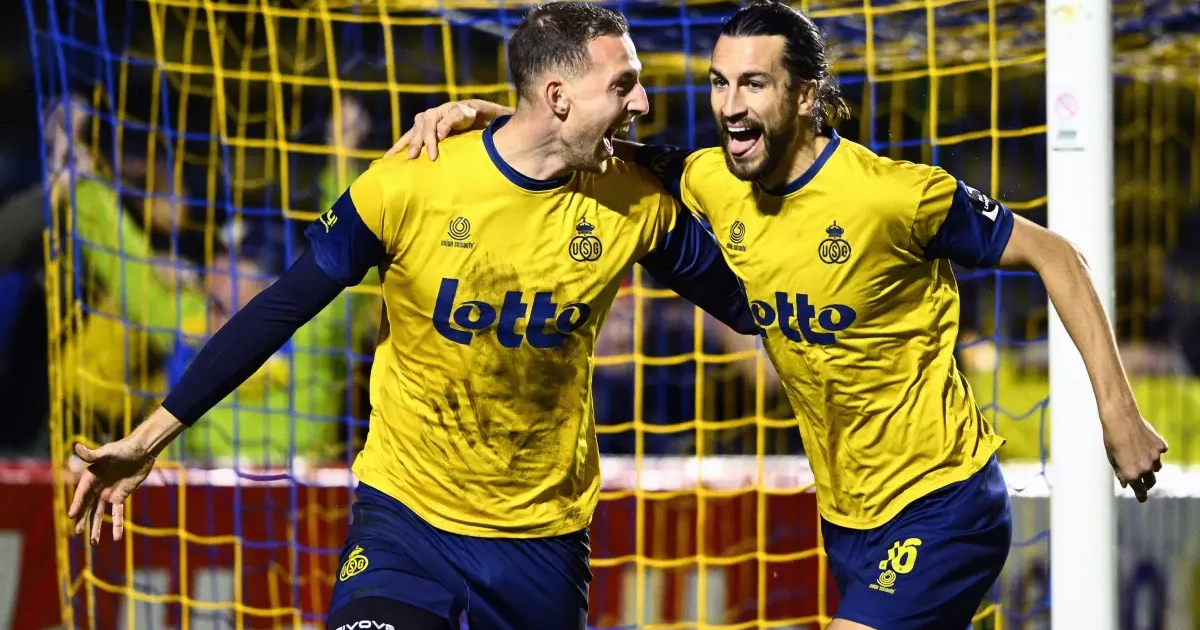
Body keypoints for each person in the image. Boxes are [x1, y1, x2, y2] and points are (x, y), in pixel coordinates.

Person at [389, 1, 1169, 628]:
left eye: (753, 85)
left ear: (803, 96)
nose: (729, 106)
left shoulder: (894, 198)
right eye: (718, 83)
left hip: (944, 505)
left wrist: (1118, 413)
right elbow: (576, 137)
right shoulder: (709, 181)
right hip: (849, 518)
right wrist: (490, 112)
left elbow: (1057, 255)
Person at [64, 4, 760, 630]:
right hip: (406, 520)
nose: (642, 100)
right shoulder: (409, 181)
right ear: (556, 96)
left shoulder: (636, 202)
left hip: (541, 536)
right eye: (623, 84)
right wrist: (149, 438)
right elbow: (278, 308)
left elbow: (747, 306)